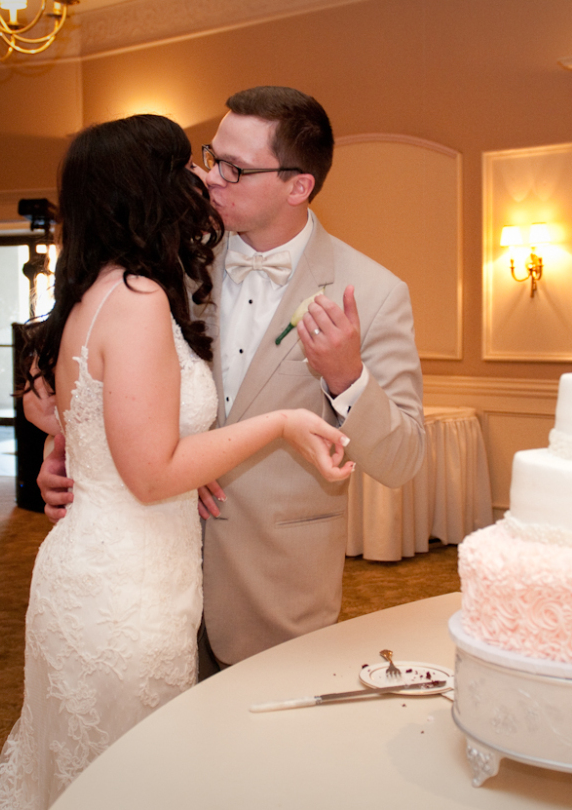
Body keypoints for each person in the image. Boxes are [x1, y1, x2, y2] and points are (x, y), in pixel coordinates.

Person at [0, 114, 354, 809]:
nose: (201, 176)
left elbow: (92, 418)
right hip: (123, 590)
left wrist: (63, 447)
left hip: (113, 569)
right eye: (185, 163)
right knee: (129, 779)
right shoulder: (136, 299)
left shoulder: (99, 290)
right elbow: (152, 472)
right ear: (148, 186)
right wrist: (280, 423)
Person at [34, 87, 426, 674]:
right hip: (151, 580)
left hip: (276, 592)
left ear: (298, 186)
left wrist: (348, 379)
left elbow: (403, 460)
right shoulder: (171, 262)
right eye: (212, 156)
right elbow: (81, 366)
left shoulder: (373, 292)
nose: (212, 178)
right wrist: (67, 452)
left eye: (234, 169)